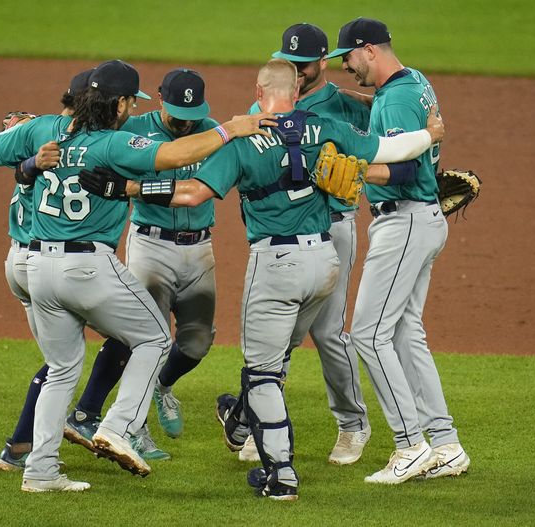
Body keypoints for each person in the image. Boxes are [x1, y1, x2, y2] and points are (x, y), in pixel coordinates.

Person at [80, 59, 443, 500]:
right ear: (296, 90)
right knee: (284, 349)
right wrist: (431, 136)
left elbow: (191, 192)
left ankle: (280, 474)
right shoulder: (326, 126)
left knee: (262, 374)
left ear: (259, 89)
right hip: (325, 263)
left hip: (276, 265)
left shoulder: (243, 139)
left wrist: (130, 190)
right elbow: (390, 152)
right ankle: (241, 425)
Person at [0, 59, 275, 492]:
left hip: (36, 265)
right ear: (118, 103)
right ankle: (119, 427)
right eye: (128, 102)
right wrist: (231, 128)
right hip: (86, 266)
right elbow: (174, 154)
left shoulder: (41, 130)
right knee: (155, 338)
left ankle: (40, 471)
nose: (131, 109)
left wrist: (28, 160)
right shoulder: (112, 144)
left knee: (62, 369)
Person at [327, 17, 470, 484]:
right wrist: (358, 100)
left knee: (368, 334)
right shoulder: (415, 82)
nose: (347, 66)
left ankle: (410, 445)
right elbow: (393, 112)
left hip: (405, 219)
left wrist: (353, 167)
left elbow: (404, 173)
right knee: (406, 332)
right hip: (423, 221)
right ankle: (446, 445)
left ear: (368, 50)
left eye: (348, 57)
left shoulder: (396, 98)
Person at [63, 69, 221, 461]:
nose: (185, 121)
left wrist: (131, 188)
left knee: (198, 341)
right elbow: (79, 135)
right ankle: (133, 428)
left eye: (192, 112)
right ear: (160, 100)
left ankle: (162, 387)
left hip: (200, 249)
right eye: (176, 112)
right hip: (151, 245)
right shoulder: (132, 130)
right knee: (140, 335)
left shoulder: (212, 130)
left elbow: (200, 192)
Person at [241, 22, 372, 466]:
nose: (295, 71)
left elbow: (385, 142)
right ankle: (259, 418)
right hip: (280, 236)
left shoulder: (348, 106)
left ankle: (353, 425)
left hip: (332, 226)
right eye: (288, 62)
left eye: (303, 64)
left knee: (328, 331)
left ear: (322, 62)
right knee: (279, 335)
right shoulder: (265, 104)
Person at [0, 69, 91, 471]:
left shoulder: (33, 157)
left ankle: (19, 447)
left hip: (17, 261)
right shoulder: (62, 155)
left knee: (58, 359)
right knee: (66, 360)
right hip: (42, 261)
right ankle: (75, 425)